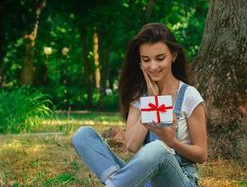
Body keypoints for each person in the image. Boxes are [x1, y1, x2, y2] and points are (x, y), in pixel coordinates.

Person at [72, 23, 207, 187]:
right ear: (140, 62)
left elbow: (201, 155)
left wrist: (172, 142)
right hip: (147, 182)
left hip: (180, 180)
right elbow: (132, 145)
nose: (153, 66)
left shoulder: (189, 95)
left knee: (157, 148)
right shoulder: (139, 96)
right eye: (146, 60)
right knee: (83, 135)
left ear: (174, 56)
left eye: (160, 58)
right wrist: (152, 100)